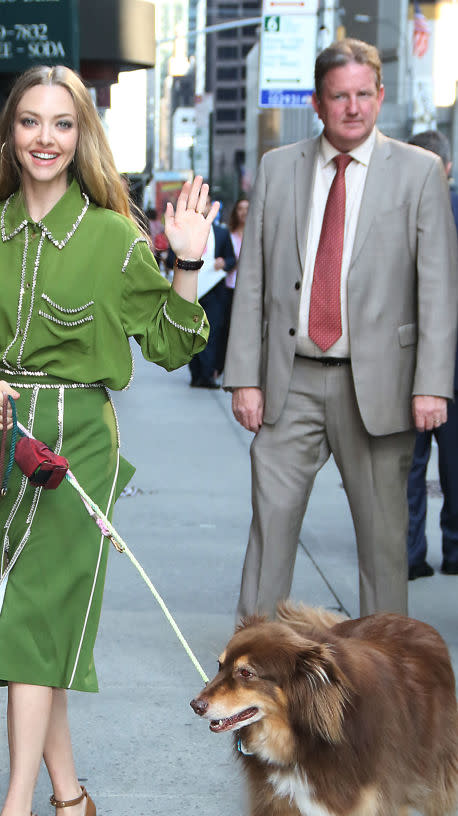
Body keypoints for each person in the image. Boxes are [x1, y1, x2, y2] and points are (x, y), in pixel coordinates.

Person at [0, 65, 217, 816]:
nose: (45, 138)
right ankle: (72, 800)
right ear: (8, 134)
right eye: (29, 123)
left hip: (78, 447)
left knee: (28, 622)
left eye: (63, 124)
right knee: (31, 636)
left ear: (82, 136)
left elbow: (170, 345)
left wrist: (185, 262)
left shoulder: (115, 239)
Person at [224, 38, 458, 622]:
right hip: (289, 381)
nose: (352, 108)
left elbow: (438, 288)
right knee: (268, 538)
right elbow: (251, 279)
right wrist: (243, 379)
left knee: (384, 551)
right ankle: (251, 673)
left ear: (379, 97)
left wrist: (432, 384)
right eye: (339, 97)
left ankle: (386, 685)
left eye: (363, 95)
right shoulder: (279, 169)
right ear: (317, 102)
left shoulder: (420, 172)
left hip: (379, 385)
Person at [406, 129, 458, 580]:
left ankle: (411, 553)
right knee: (413, 469)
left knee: (410, 468)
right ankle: (441, 551)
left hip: (417, 363)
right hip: (410, 366)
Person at [168, 200, 235, 388]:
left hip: (214, 291)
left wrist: (224, 262)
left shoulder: (221, 232)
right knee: (190, 332)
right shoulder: (184, 231)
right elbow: (171, 259)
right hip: (190, 289)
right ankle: (196, 373)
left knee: (211, 333)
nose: (202, 207)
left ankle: (206, 374)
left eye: (205, 202)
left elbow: (231, 258)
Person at [218, 193, 249, 376]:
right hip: (230, 287)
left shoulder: (257, 234)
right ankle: (222, 367)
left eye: (247, 209)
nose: (244, 212)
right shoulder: (228, 235)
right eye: (240, 208)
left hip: (249, 290)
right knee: (226, 328)